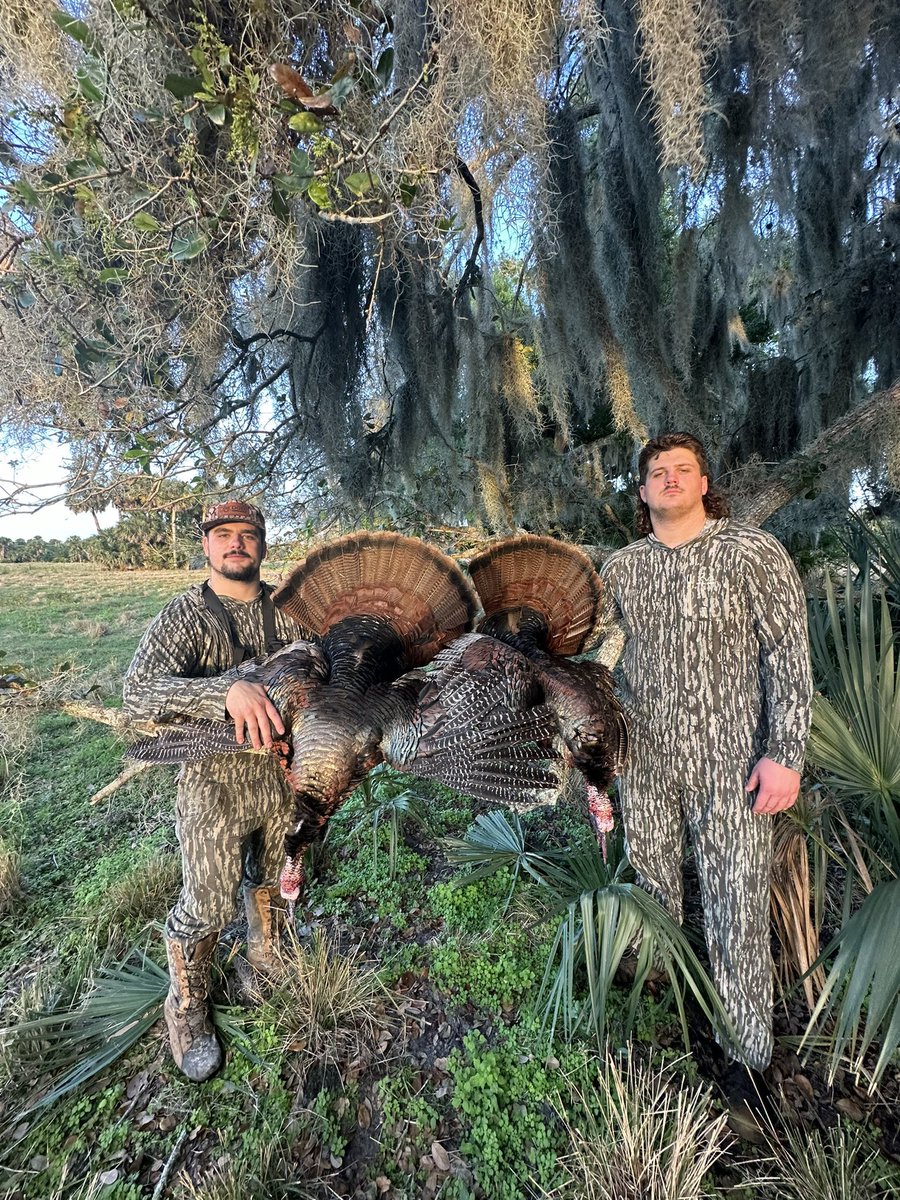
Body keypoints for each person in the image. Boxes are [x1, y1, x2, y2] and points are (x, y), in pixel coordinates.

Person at [598, 432, 812, 1073]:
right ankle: (669, 1030)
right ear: (641, 492)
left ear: (703, 481)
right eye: (656, 471)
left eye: (681, 468)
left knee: (737, 910)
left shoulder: (753, 553)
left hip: (735, 769)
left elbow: (788, 656)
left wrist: (787, 752)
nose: (669, 478)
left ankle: (746, 1060)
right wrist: (596, 762)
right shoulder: (620, 571)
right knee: (655, 899)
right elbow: (600, 673)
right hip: (644, 768)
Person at [123, 500, 300, 1081]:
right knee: (206, 905)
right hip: (211, 787)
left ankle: (263, 956)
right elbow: (138, 695)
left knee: (271, 879)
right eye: (223, 535)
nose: (236, 544)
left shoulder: (292, 610)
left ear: (263, 546)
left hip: (281, 779)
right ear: (206, 546)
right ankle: (187, 1005)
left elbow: (324, 669)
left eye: (248, 535)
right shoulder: (185, 616)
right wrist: (227, 690)